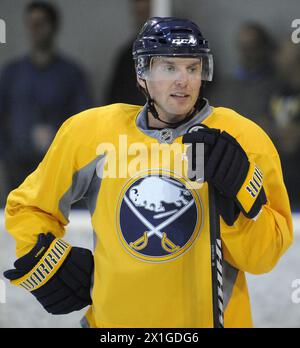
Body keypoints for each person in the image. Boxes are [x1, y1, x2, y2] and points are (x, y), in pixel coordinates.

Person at [3, 17, 293, 328]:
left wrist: (237, 207)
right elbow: (28, 207)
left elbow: (264, 257)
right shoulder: (91, 133)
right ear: (142, 74)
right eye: (169, 68)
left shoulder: (241, 138)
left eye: (192, 68)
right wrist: (45, 256)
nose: (182, 80)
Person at [0, 1, 93, 194]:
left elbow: (85, 123)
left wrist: (55, 136)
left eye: (41, 23)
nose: (35, 29)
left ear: (53, 26)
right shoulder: (12, 73)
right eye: (30, 23)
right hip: (17, 169)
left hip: (59, 170)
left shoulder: (71, 74)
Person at [268, 39, 300, 210]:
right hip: (279, 184)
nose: (277, 57)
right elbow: (261, 128)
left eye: (282, 52)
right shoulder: (278, 91)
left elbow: (292, 141)